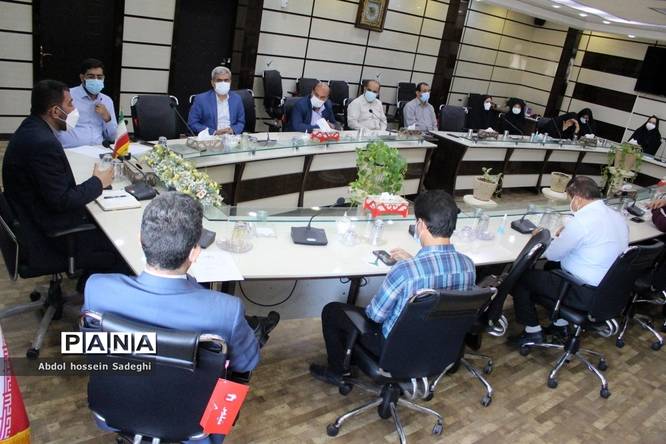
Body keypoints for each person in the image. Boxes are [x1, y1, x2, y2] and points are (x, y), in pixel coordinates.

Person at [83, 192, 265, 444]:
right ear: (194, 252)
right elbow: (247, 363)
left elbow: (92, 349)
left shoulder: (97, 289)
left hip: (114, 410)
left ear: (140, 239)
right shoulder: (226, 311)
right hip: (195, 429)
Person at [309, 190, 476, 384]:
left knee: (332, 311)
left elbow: (375, 315)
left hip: (394, 350)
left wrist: (410, 265)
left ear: (421, 224)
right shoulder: (468, 266)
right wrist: (413, 261)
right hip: (438, 347)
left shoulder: (405, 271)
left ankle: (338, 372)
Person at [2, 79, 125, 274]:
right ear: (55, 111)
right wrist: (98, 182)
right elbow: (62, 201)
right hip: (48, 235)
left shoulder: (31, 127)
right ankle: (91, 287)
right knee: (120, 245)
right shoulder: (43, 144)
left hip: (32, 217)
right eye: (70, 104)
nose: (75, 109)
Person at [510, 176, 629, 346]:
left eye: (569, 199)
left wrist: (543, 237)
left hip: (583, 291)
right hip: (609, 291)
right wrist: (567, 234)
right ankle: (560, 326)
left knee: (520, 277)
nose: (570, 204)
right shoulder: (617, 217)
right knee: (551, 267)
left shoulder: (582, 221)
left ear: (578, 199)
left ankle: (532, 332)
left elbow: (552, 254)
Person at [57, 58, 118, 148]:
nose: (96, 80)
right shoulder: (68, 96)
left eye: (99, 77)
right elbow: (55, 126)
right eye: (91, 77)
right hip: (71, 149)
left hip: (98, 149)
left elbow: (113, 137)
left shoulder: (107, 101)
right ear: (82, 78)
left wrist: (107, 118)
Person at [188, 66, 245, 135]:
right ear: (212, 83)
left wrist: (233, 130)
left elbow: (241, 122)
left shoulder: (237, 99)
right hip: (210, 137)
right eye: (219, 80)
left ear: (230, 82)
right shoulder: (201, 99)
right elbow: (193, 123)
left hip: (231, 137)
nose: (223, 83)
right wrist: (214, 132)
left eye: (226, 80)